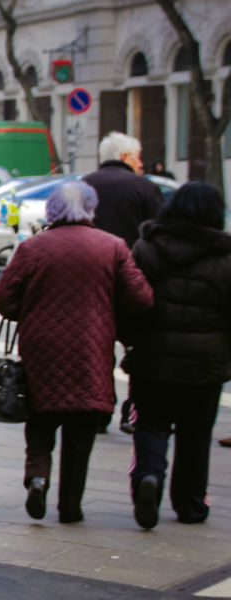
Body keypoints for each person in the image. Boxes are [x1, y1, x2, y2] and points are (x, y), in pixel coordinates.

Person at [0, 180, 152, 524]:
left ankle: (37, 477)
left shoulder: (32, 248)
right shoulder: (112, 247)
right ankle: (70, 506)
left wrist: (33, 308)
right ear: (91, 209)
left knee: (40, 417)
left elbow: (4, 300)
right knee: (81, 427)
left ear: (51, 210)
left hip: (41, 347)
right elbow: (141, 299)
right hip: (90, 348)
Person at [124, 182, 231, 528]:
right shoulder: (225, 257)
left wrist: (130, 340)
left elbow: (130, 301)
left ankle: (148, 477)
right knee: (195, 434)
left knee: (151, 423)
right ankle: (190, 503)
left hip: (152, 358)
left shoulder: (146, 247)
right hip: (206, 364)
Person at [81, 131, 164, 434]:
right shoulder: (144, 187)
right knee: (138, 348)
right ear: (126, 157)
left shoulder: (83, 185)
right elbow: (158, 232)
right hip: (133, 279)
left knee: (97, 348)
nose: (141, 163)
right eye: (138, 157)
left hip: (90, 282)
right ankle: (133, 410)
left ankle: (99, 410)